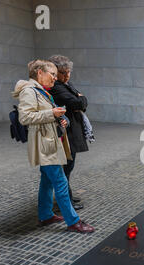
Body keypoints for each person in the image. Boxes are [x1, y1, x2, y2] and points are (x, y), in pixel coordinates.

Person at [11, 59, 94, 233]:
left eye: (56, 75)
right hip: (45, 145)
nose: (55, 78)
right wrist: (51, 113)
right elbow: (25, 117)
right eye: (53, 74)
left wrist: (59, 118)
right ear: (40, 72)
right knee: (60, 181)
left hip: (48, 141)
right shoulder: (29, 91)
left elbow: (42, 114)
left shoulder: (40, 91)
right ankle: (74, 222)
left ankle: (45, 215)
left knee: (47, 182)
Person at [48, 55, 88, 211]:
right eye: (64, 72)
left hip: (72, 129)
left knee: (69, 167)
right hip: (66, 132)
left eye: (68, 72)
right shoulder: (57, 87)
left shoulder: (66, 84)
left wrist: (81, 99)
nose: (68, 75)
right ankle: (65, 201)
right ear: (56, 72)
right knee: (66, 168)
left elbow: (81, 101)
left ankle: (67, 196)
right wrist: (80, 99)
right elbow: (78, 102)